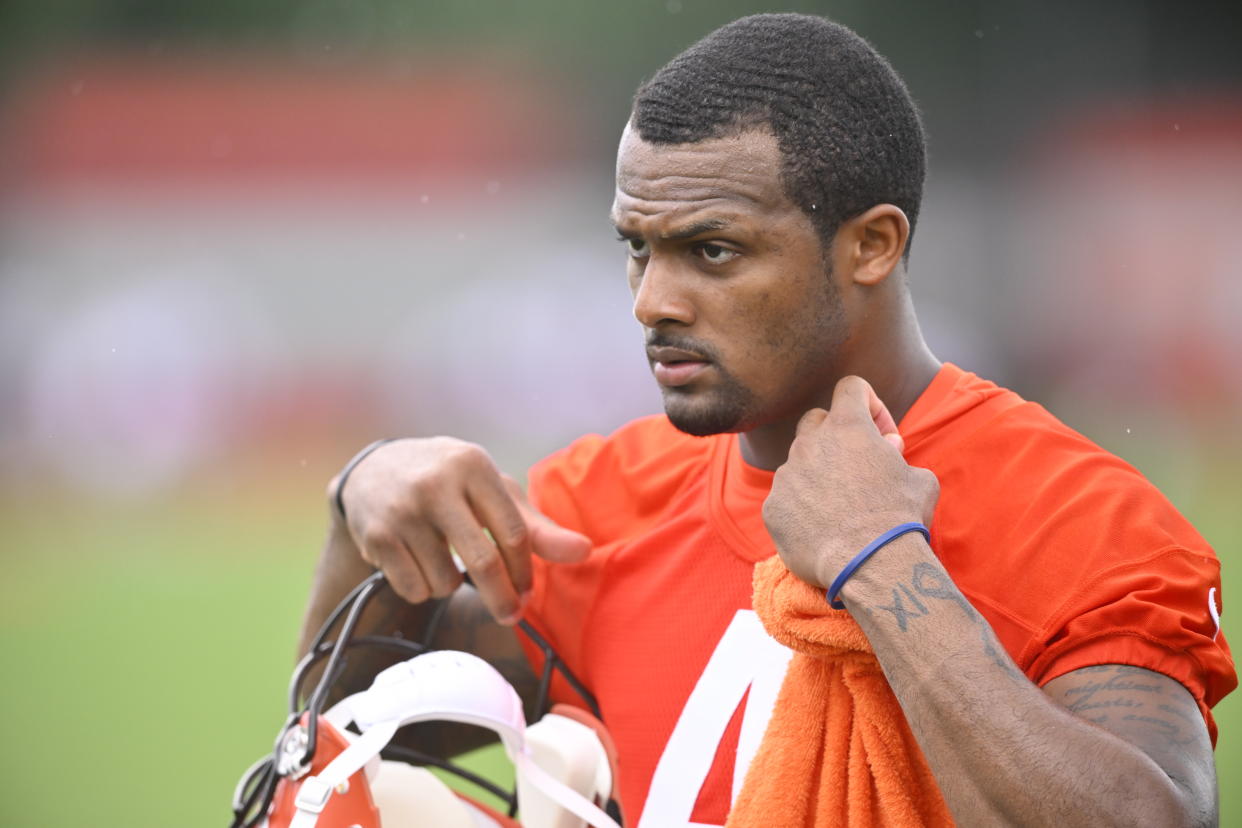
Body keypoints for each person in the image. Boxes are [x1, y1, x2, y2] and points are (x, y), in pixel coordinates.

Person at [298, 13, 1235, 827]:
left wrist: (886, 567)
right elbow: (346, 749)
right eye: (638, 248)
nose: (651, 301)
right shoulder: (602, 500)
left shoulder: (1083, 519)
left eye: (713, 250)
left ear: (872, 244)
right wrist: (360, 508)